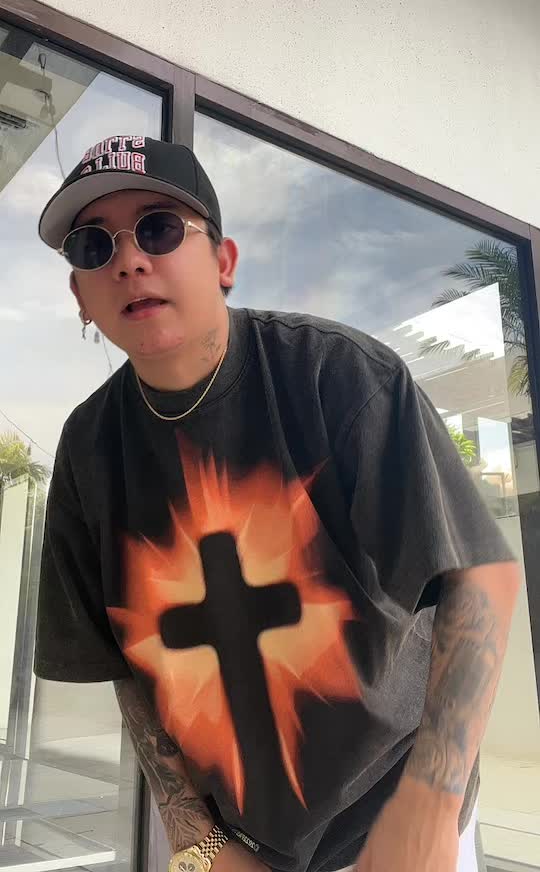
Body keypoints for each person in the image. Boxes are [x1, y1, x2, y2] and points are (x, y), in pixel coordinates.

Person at [34, 134, 519, 872]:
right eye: (93, 246)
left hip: (393, 819)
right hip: (231, 838)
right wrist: (196, 839)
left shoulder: (338, 378)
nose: (128, 260)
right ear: (80, 295)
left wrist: (429, 804)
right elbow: (124, 665)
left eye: (159, 229)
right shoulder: (88, 448)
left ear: (223, 262)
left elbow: (479, 579)